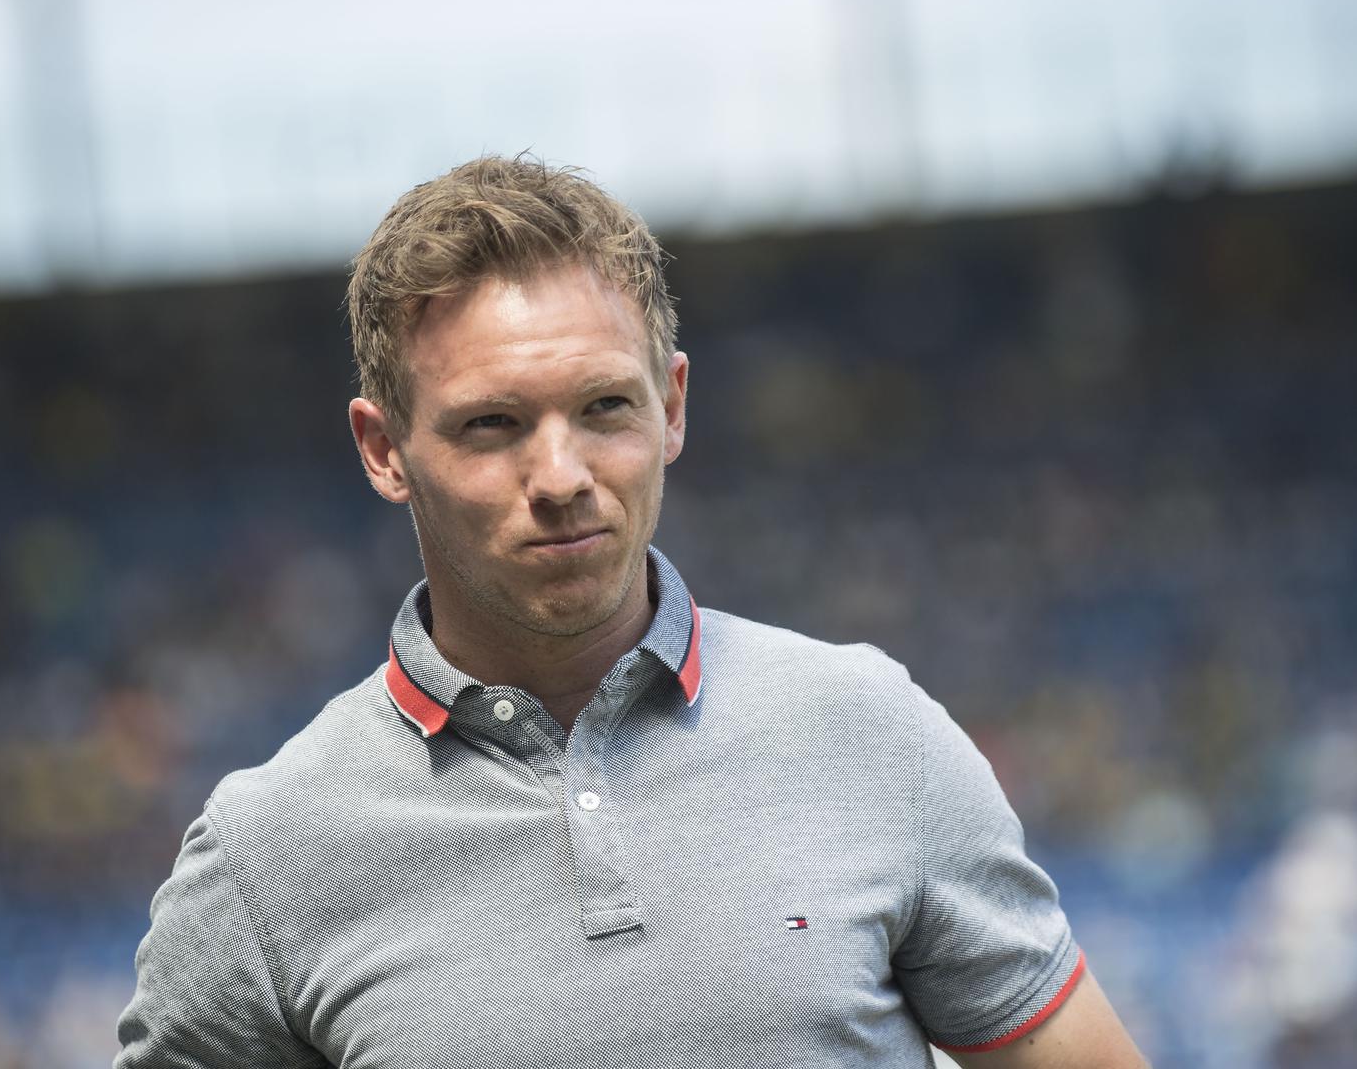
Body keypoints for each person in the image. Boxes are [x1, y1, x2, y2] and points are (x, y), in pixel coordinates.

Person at [116, 155, 1148, 1068]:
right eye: (491, 425)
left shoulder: (872, 733)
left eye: (605, 406)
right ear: (385, 451)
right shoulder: (267, 858)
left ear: (674, 406)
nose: (561, 476)